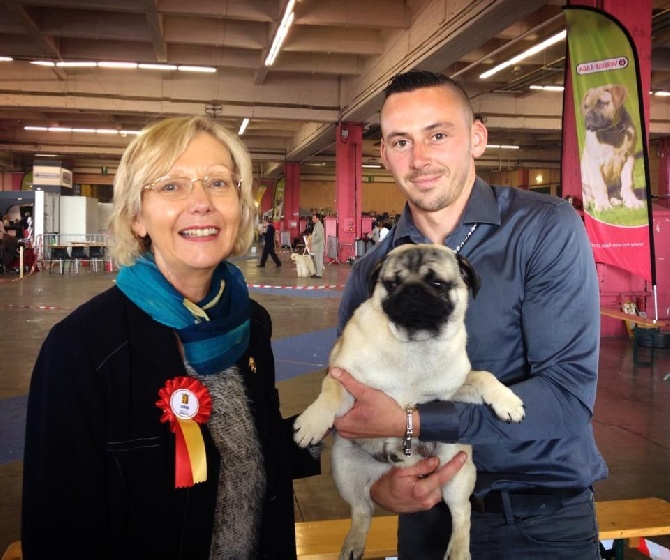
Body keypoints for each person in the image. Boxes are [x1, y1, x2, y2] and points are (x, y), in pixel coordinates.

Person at [330, 70, 607, 559]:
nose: (419, 159)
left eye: (438, 134)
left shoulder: (543, 231)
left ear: (476, 137)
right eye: (400, 141)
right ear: (384, 155)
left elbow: (566, 396)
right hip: (424, 520)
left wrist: (415, 421)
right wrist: (379, 490)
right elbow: (353, 401)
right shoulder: (372, 272)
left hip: (536, 523)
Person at [21, 116, 320, 559]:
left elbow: (248, 451)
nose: (201, 202)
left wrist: (328, 429)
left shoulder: (251, 323)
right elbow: (58, 529)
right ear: (137, 217)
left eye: (219, 183)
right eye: (171, 185)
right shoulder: (82, 348)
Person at [309, 213, 324, 278]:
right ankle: (317, 273)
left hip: (319, 246)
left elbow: (319, 237)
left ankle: (319, 274)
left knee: (318, 260)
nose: (312, 219)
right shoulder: (316, 225)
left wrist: (311, 241)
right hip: (316, 246)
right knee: (316, 260)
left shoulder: (319, 226)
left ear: (318, 219)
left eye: (314, 218)